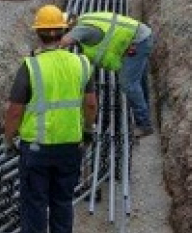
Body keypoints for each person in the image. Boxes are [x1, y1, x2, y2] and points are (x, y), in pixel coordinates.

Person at [2, 4, 97, 233]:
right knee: (62, 199)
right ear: (64, 31)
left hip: (37, 149)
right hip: (70, 146)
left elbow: (14, 112)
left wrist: (8, 141)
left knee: (34, 200)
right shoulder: (81, 63)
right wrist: (88, 131)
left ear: (39, 34)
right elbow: (90, 104)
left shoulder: (30, 67)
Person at [59, 10, 155, 138]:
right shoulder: (86, 20)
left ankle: (144, 125)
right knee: (137, 81)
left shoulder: (82, 29)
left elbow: (64, 42)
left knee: (128, 83)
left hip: (138, 41)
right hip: (138, 37)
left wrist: (43, 51)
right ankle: (145, 112)